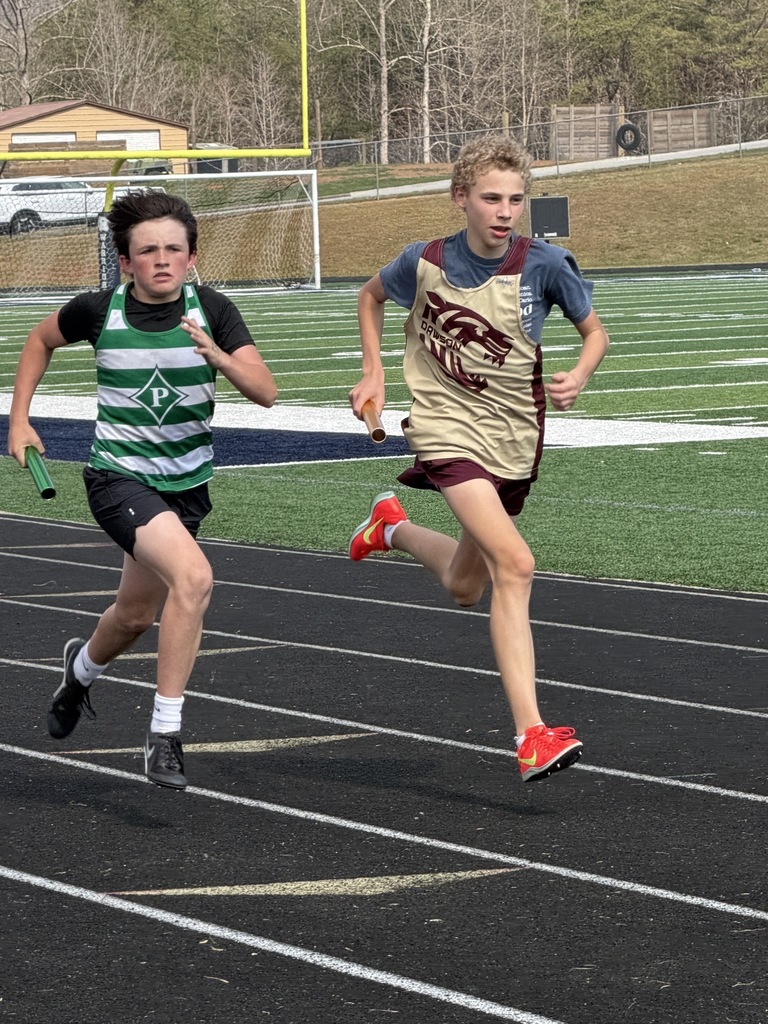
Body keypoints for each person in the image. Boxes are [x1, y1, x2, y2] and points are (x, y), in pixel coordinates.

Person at [348, 135, 610, 783]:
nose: (505, 211)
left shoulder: (546, 264)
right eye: (492, 198)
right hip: (444, 430)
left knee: (467, 586)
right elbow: (369, 296)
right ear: (460, 198)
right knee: (515, 565)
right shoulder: (424, 261)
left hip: (513, 438)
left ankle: (390, 527)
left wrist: (579, 374)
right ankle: (531, 735)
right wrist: (374, 370)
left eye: (516, 200)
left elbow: (595, 333)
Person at [7, 190, 277, 790]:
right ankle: (164, 733)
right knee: (194, 578)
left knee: (133, 615)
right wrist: (19, 421)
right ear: (126, 262)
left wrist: (218, 356)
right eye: (148, 250)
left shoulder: (214, 310)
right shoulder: (99, 310)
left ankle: (79, 674)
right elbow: (38, 341)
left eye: (174, 249)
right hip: (118, 478)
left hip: (187, 486)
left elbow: (266, 391)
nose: (162, 260)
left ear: (192, 257)